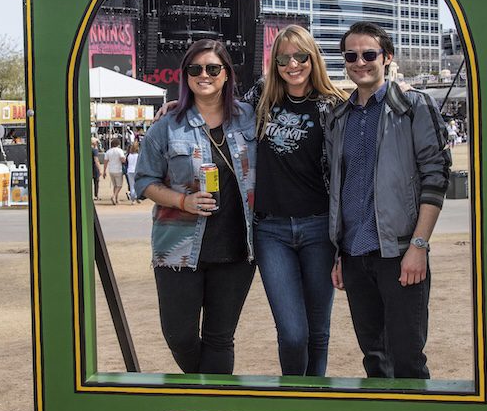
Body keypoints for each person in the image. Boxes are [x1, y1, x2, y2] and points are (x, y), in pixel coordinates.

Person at [325, 21, 451, 379]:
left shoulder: (413, 106)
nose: (360, 62)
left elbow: (435, 178)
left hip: (399, 252)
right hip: (354, 253)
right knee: (375, 359)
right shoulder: (338, 117)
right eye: (351, 55)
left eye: (369, 54)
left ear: (387, 57)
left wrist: (419, 245)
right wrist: (338, 253)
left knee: (408, 357)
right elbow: (339, 186)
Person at [134, 39, 257, 375]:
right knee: (179, 335)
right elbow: (143, 181)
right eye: (195, 69)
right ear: (185, 76)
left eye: (213, 68)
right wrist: (182, 200)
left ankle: (212, 410)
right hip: (178, 249)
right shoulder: (167, 125)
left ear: (227, 74)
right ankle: (208, 396)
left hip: (235, 250)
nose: (204, 75)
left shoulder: (250, 117)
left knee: (220, 338)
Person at [245, 24, 346, 377]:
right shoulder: (260, 97)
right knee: (292, 333)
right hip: (271, 230)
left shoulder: (333, 106)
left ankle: (313, 405)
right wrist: (177, 107)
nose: (293, 64)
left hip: (319, 228)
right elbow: (217, 111)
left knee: (318, 333)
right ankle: (292, 398)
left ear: (312, 58)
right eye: (284, 58)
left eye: (300, 56)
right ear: (275, 63)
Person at [103, 137, 127, 205]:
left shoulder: (108, 151)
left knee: (115, 185)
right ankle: (114, 196)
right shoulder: (119, 151)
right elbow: (123, 159)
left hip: (111, 170)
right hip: (118, 169)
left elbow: (105, 162)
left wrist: (104, 171)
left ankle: (116, 199)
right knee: (119, 185)